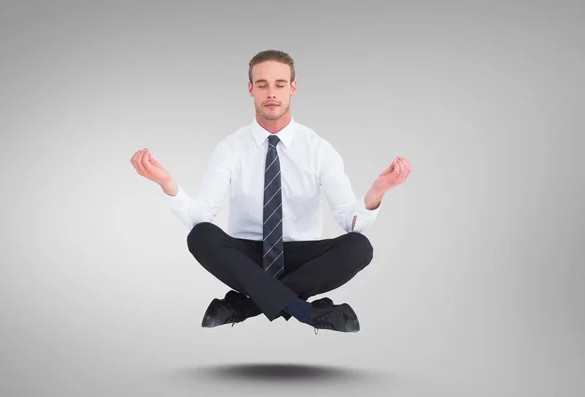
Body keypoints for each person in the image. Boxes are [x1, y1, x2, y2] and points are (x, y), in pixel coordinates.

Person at [130, 49, 412, 334]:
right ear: (251, 89)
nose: (271, 93)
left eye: (279, 84)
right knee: (201, 235)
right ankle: (305, 312)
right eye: (262, 84)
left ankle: (248, 305)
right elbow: (202, 216)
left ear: (293, 88)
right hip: (248, 258)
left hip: (305, 261)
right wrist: (167, 184)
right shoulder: (230, 148)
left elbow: (351, 221)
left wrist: (378, 191)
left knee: (358, 247)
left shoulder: (318, 149)